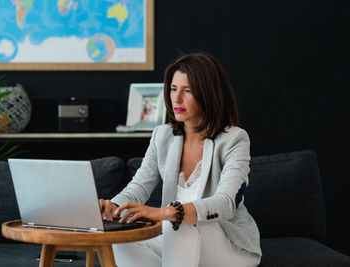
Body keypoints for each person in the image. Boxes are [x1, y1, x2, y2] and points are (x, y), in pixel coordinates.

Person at [99, 52, 262, 267]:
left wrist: (164, 212)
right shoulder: (162, 136)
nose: (176, 99)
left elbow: (226, 203)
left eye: (187, 90)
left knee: (179, 220)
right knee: (121, 238)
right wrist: (114, 207)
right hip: (179, 243)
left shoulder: (234, 139)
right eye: (173, 89)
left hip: (229, 246)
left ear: (207, 93)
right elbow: (138, 187)